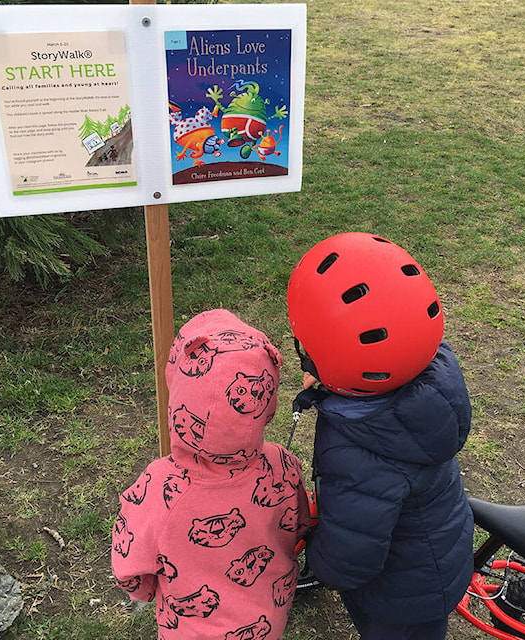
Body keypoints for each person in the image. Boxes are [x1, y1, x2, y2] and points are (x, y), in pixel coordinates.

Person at [286, 232, 474, 640]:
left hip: (401, 599)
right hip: (438, 554)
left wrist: (315, 558)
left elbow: (350, 558)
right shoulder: (431, 381)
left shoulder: (357, 454)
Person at [111, 309, 311, 640]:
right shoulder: (283, 465)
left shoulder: (159, 486)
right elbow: (299, 528)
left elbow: (129, 566)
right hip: (267, 620)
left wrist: (147, 592)